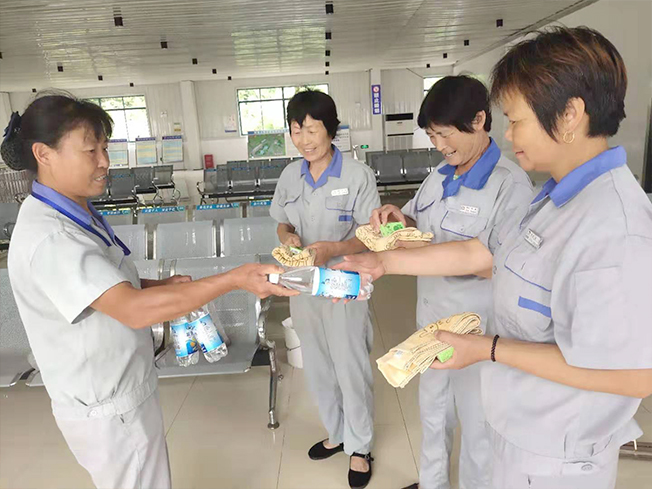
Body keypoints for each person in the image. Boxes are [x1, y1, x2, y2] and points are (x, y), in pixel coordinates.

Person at [337, 27, 652, 489]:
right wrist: (383, 262)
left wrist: (488, 348)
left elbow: (634, 375)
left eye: (517, 119)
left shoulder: (613, 225)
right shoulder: (557, 200)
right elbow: (483, 252)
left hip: (556, 458)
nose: (509, 133)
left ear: (569, 114)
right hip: (522, 426)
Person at [2, 93, 295, 489]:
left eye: (105, 148)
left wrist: (161, 286)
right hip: (107, 404)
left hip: (122, 387)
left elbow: (107, 288)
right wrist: (234, 279)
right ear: (44, 154)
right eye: (91, 150)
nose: (104, 162)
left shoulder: (74, 212)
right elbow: (133, 309)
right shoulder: (52, 237)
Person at [369, 76, 532, 489]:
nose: (439, 145)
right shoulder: (440, 175)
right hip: (430, 329)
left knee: (479, 429)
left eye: (445, 134)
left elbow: (490, 262)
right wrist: (398, 218)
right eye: (432, 136)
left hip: (479, 333)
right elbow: (417, 221)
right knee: (433, 414)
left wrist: (387, 262)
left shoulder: (509, 186)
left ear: (478, 120)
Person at [269, 90, 381, 489]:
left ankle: (360, 446)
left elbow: (369, 235)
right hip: (303, 283)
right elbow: (282, 221)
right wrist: (287, 237)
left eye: (312, 129)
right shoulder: (290, 175)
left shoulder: (357, 175)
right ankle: (337, 432)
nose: (304, 139)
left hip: (343, 281)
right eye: (296, 130)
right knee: (316, 362)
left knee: (349, 363)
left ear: (331, 130)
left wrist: (333, 249)